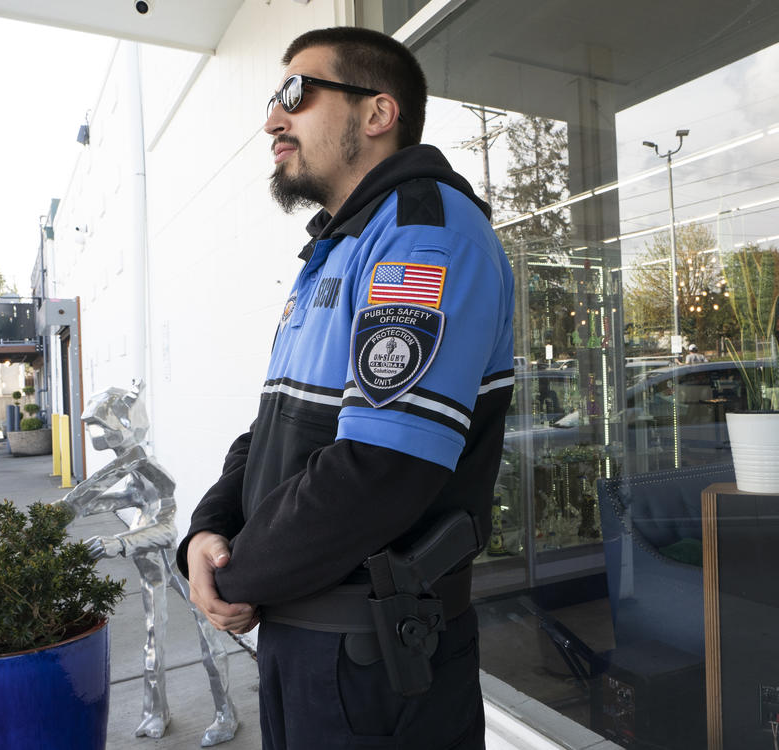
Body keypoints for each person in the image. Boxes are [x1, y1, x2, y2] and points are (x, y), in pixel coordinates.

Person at [178, 26, 515, 750]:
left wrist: (239, 577)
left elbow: (383, 468)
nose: (273, 117)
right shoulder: (340, 245)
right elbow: (275, 429)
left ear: (376, 114)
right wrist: (210, 531)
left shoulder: (424, 236)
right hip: (309, 642)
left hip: (374, 664)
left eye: (296, 94)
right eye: (275, 97)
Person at [55, 382, 238, 746]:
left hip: (174, 565)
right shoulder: (132, 469)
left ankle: (226, 713)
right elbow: (112, 497)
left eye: (104, 428)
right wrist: (73, 509)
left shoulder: (151, 469)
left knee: (209, 637)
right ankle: (155, 712)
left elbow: (167, 529)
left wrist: (118, 543)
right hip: (149, 566)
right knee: (153, 639)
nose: (101, 437)